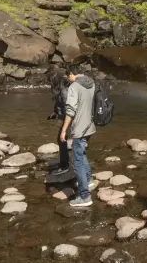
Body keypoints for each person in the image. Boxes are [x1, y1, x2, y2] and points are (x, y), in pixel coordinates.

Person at [60, 65, 96, 208]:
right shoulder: (91, 83)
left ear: (71, 74)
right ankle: (88, 180)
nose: (68, 80)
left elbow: (70, 111)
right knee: (82, 154)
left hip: (80, 129)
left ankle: (84, 196)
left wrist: (64, 130)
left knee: (77, 161)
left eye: (67, 77)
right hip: (90, 127)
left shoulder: (74, 87)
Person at [47, 70, 72, 178]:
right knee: (62, 139)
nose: (49, 83)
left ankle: (65, 166)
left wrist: (64, 127)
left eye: (50, 81)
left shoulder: (63, 90)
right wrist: (55, 113)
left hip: (71, 118)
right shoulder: (60, 88)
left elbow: (69, 108)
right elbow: (59, 103)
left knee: (62, 139)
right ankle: (65, 163)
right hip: (68, 117)